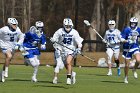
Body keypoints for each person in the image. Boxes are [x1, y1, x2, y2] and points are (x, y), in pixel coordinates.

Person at [50, 18, 83, 85]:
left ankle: (68, 78)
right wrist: (52, 40)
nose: (68, 27)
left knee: (68, 62)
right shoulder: (60, 31)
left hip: (71, 50)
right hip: (61, 50)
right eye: (66, 26)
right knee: (65, 65)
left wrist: (79, 48)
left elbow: (79, 42)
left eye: (69, 26)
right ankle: (73, 74)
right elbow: (54, 39)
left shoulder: (74, 32)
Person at [0, 18, 24, 82]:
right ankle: (6, 71)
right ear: (9, 24)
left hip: (13, 47)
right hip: (4, 46)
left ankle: (2, 74)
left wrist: (18, 44)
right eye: (14, 24)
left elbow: (22, 36)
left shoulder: (18, 29)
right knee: (9, 56)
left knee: (8, 60)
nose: (15, 26)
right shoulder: (4, 29)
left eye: (16, 24)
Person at [121, 17, 140, 83]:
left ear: (136, 23)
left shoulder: (138, 29)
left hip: (135, 46)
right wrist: (127, 41)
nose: (133, 24)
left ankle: (134, 69)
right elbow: (122, 39)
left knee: (138, 60)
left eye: (134, 23)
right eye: (132, 23)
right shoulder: (126, 30)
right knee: (127, 65)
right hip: (127, 48)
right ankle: (126, 77)